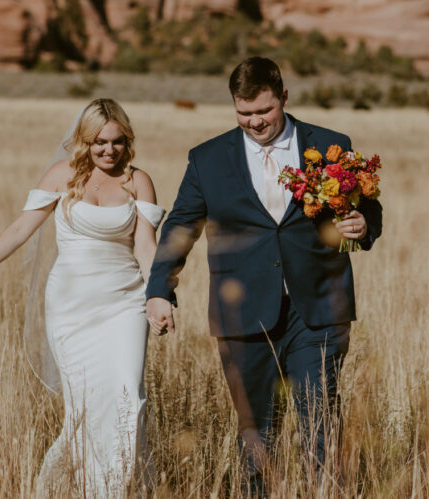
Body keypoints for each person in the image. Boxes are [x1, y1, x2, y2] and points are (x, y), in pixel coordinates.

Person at [145, 57, 383, 490]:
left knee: (321, 427)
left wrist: (364, 225)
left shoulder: (331, 144)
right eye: (244, 113)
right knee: (257, 436)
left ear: (284, 98)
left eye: (264, 111)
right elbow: (181, 226)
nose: (255, 122)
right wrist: (160, 288)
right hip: (243, 315)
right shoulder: (208, 158)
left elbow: (367, 206)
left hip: (319, 310)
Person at [0, 99, 165, 497]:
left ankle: (113, 490)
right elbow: (20, 230)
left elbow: (147, 247)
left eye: (117, 142)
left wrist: (160, 296)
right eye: (99, 141)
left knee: (126, 396)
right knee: (82, 407)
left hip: (125, 303)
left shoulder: (139, 181)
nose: (108, 150)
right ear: (85, 140)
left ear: (127, 142)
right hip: (71, 307)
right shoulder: (61, 176)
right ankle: (71, 488)